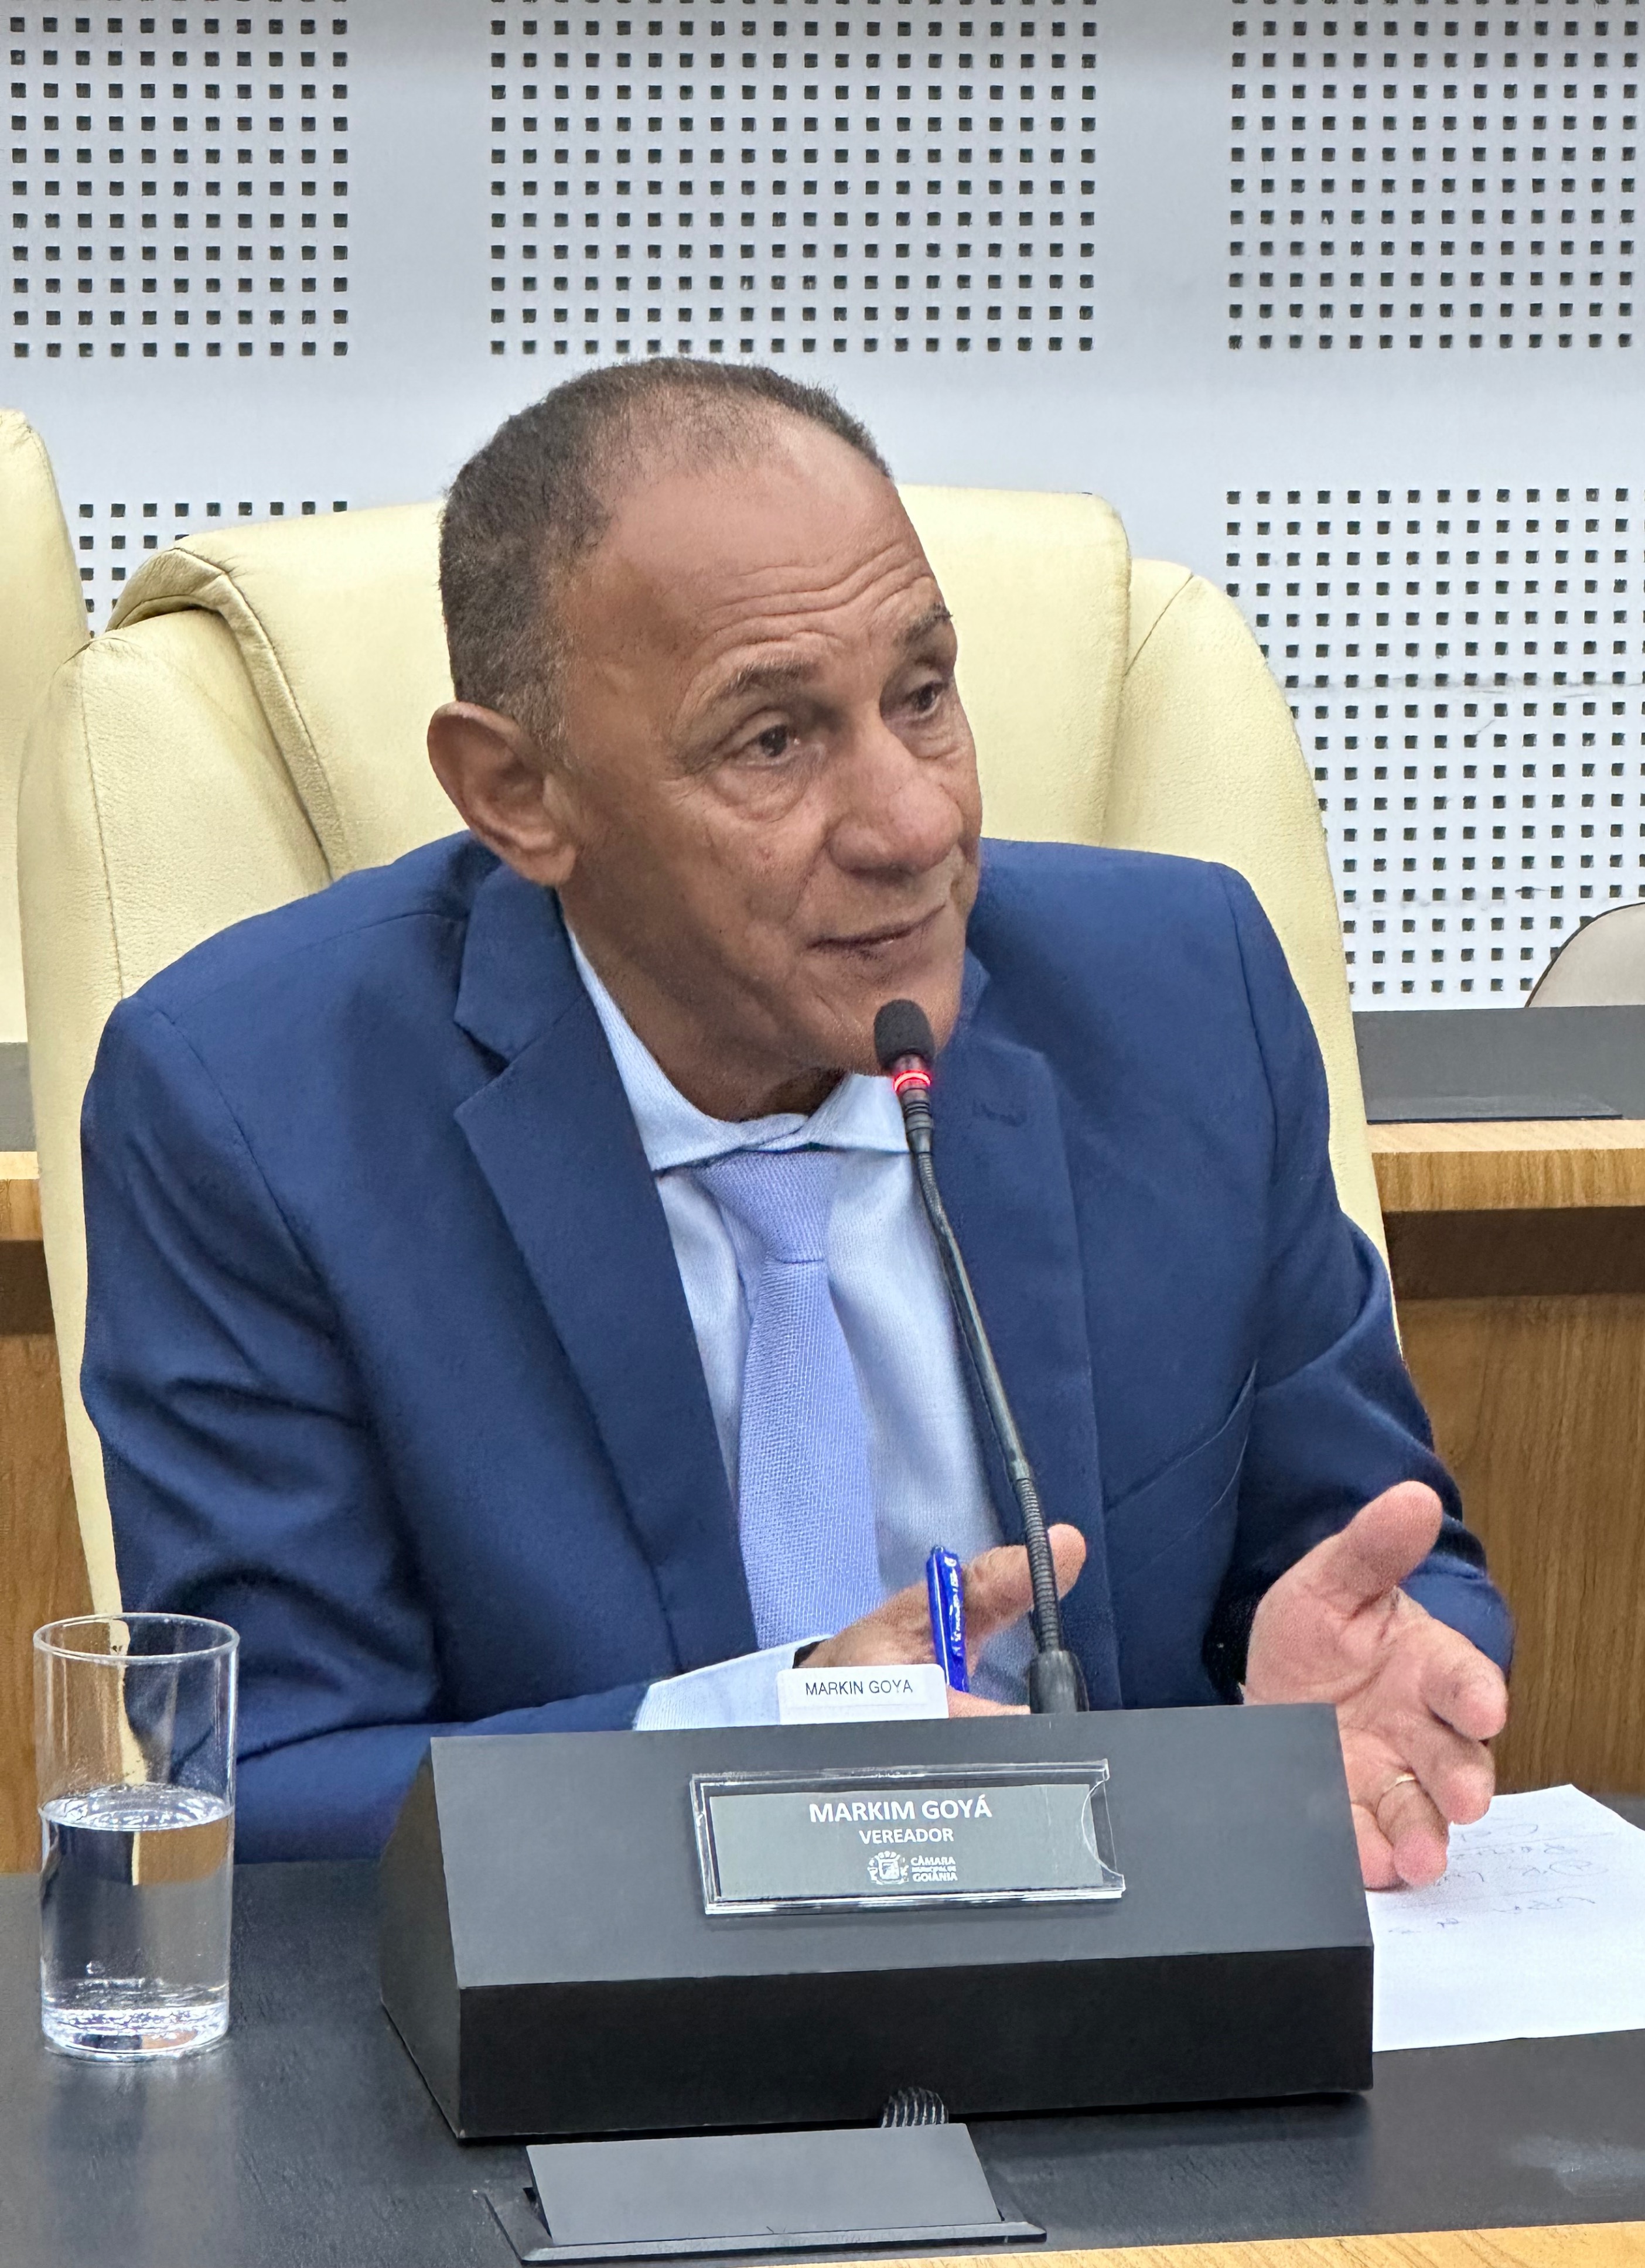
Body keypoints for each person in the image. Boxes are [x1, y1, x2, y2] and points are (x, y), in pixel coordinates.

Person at [80, 361, 1510, 1880]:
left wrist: (1327, 1701)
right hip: (598, 2013)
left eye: (924, 696)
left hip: (1130, 1983)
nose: (915, 823)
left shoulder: (1182, 1003)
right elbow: (273, 1774)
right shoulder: (254, 1106)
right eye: (772, 740)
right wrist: (766, 1747)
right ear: (518, 794)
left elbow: (1375, 1563)